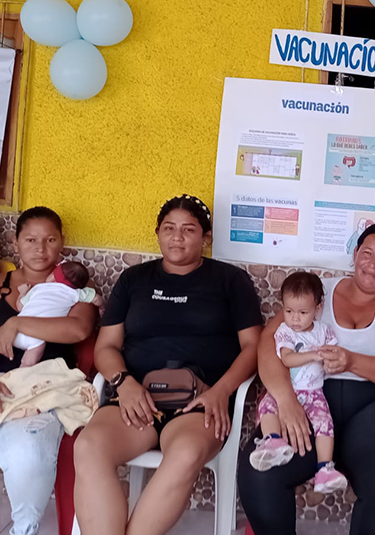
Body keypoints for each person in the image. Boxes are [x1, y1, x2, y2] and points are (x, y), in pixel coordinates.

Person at [74, 194, 263, 535]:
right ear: (158, 233)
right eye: (169, 228)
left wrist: (221, 391)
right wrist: (124, 384)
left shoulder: (230, 281)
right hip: (136, 398)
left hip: (201, 402)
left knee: (186, 452)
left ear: (205, 237)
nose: (177, 237)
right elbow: (106, 346)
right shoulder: (134, 279)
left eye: (189, 229)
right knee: (88, 447)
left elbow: (253, 347)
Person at [238, 222, 375, 535]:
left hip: (373, 410)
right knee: (260, 473)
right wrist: (286, 400)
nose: (372, 264)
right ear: (355, 254)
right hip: (308, 401)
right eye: (367, 253)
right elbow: (270, 343)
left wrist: (352, 361)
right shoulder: (318, 292)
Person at [0, 206, 96, 535]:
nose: (40, 249)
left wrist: (17, 323)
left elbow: (77, 329)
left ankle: (23, 529)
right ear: (16, 242)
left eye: (50, 240)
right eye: (30, 240)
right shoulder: (2, 282)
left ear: (61, 242)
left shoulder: (74, 284)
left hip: (43, 391)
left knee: (25, 450)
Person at [250, 271, 348, 494]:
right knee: (267, 406)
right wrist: (313, 355)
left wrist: (330, 360)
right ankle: (272, 441)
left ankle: (324, 469)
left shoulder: (324, 331)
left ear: (317, 309)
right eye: (289, 311)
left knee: (325, 423)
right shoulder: (285, 332)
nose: (295, 318)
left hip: (314, 392)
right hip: (290, 389)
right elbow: (287, 359)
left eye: (303, 313)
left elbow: (333, 353)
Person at [15, 261, 103, 367]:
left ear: (52, 277)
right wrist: (102, 308)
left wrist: (23, 292)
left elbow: (20, 306)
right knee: (29, 361)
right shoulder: (75, 293)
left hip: (16, 332)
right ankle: (23, 367)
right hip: (35, 339)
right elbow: (97, 299)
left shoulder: (38, 288)